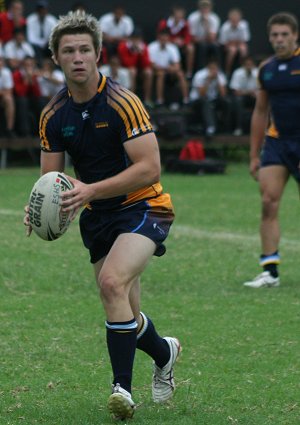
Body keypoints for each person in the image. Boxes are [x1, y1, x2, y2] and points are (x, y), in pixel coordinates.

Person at [23, 11, 181, 421]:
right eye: (68, 51)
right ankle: (165, 352)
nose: (78, 58)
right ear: (56, 58)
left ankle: (121, 391)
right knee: (122, 306)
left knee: (112, 283)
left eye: (85, 50)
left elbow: (150, 168)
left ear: (98, 54)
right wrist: (38, 208)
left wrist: (89, 189)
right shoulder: (53, 115)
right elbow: (52, 181)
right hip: (99, 217)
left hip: (145, 205)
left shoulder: (123, 102)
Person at [243, 12, 300, 288]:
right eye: (274, 35)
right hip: (277, 144)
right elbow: (260, 111)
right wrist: (254, 154)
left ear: (295, 36)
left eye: (284, 35)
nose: (279, 40)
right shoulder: (266, 68)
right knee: (268, 202)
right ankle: (270, 272)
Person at [148, 28, 189, 108]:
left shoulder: (172, 48)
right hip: (157, 71)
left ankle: (186, 100)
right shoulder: (151, 47)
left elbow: (177, 65)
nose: (164, 39)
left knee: (180, 74)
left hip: (169, 71)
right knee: (161, 74)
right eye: (162, 37)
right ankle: (160, 101)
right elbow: (151, 65)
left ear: (168, 38)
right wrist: (166, 68)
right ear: (158, 37)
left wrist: (171, 69)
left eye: (165, 37)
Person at [189, 59, 230, 137]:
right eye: (212, 68)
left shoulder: (220, 75)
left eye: (215, 68)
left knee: (226, 102)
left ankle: (225, 127)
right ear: (207, 68)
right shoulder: (200, 75)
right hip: (197, 101)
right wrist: (208, 80)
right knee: (206, 102)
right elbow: (202, 94)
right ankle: (210, 127)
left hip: (212, 99)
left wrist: (217, 80)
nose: (214, 70)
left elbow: (223, 94)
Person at [117, 28, 153, 106]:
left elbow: (146, 64)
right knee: (132, 71)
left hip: (139, 70)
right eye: (134, 38)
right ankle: (131, 100)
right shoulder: (123, 46)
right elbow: (127, 63)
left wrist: (141, 53)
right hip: (125, 69)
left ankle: (147, 100)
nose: (136, 41)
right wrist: (134, 52)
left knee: (148, 72)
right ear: (130, 38)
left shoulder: (144, 47)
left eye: (138, 38)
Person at [158, 5, 195, 79]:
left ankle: (189, 73)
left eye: (180, 15)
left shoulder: (185, 24)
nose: (178, 17)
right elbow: (160, 36)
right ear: (173, 15)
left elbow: (188, 37)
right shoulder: (164, 23)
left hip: (181, 46)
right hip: (167, 44)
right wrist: (172, 41)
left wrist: (183, 42)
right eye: (177, 15)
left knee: (190, 48)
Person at [229, 55, 258, 136]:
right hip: (241, 98)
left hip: (254, 97)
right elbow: (235, 92)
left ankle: (261, 128)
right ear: (243, 65)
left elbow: (261, 90)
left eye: (250, 64)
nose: (249, 67)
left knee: (262, 100)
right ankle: (239, 128)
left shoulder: (258, 72)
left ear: (253, 65)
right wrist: (249, 92)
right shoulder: (237, 73)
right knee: (238, 100)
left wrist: (256, 94)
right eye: (247, 65)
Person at [187, 0, 221, 69]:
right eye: (203, 7)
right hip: (196, 42)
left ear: (210, 8)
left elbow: (212, 38)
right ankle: (200, 70)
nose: (205, 9)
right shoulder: (192, 17)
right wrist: (202, 40)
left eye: (207, 7)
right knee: (202, 46)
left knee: (215, 46)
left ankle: (216, 69)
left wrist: (206, 24)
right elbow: (192, 37)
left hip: (208, 41)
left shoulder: (215, 18)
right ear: (199, 8)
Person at [219, 8, 251, 77]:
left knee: (243, 49)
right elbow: (224, 43)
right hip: (228, 47)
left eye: (236, 19)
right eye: (233, 19)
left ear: (239, 19)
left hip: (239, 45)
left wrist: (234, 42)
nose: (235, 21)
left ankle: (244, 68)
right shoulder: (225, 27)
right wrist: (234, 43)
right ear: (230, 19)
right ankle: (227, 71)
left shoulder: (244, 25)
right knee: (232, 50)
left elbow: (245, 40)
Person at [26, 0, 57, 65]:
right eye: (40, 9)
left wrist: (46, 43)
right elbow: (30, 38)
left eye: (44, 9)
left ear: (47, 10)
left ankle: (53, 67)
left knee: (54, 46)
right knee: (33, 48)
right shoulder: (30, 19)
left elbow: (54, 36)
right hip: (35, 46)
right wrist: (42, 43)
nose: (42, 11)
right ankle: (39, 66)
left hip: (47, 45)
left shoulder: (52, 20)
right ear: (37, 10)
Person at [0, 55, 15, 137]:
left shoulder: (6, 72)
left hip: (2, 99)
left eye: (0, 60)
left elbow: (9, 92)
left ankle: (9, 129)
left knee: (9, 99)